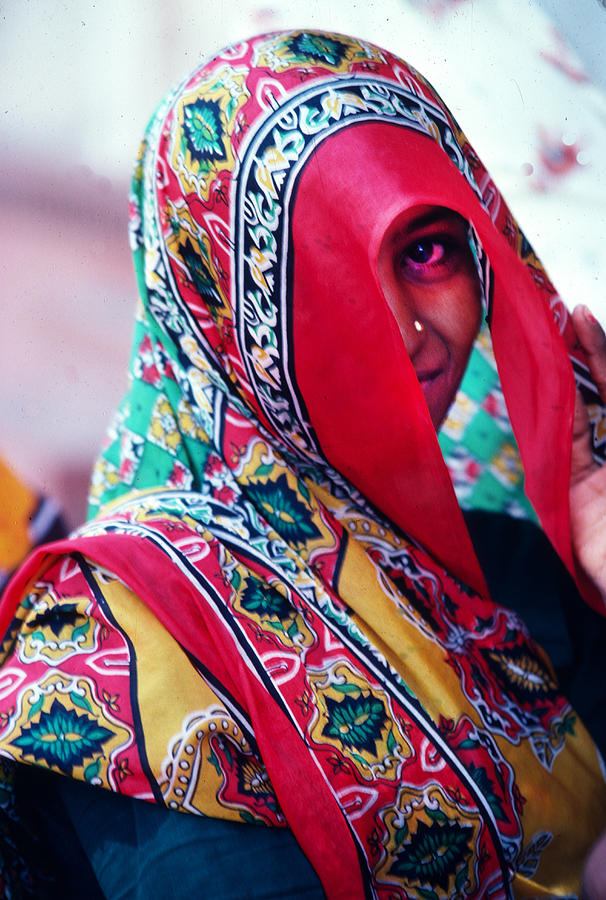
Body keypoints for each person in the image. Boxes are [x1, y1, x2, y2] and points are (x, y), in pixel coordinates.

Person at [1, 29, 606, 899]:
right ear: (221, 313)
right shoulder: (125, 638)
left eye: (427, 252)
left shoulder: (514, 576)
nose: (407, 333)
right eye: (325, 269)